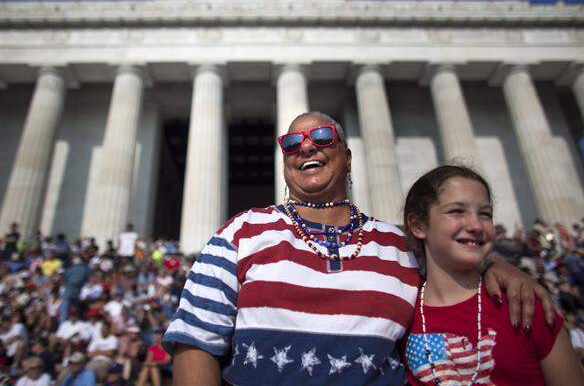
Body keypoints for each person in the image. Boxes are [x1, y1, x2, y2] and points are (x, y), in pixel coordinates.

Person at [163, 112, 555, 385]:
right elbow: (196, 341)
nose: (306, 148)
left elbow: (455, 266)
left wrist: (496, 265)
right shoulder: (241, 232)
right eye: (291, 142)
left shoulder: (401, 245)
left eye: (321, 138)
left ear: (347, 157)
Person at [401, 165, 583, 385]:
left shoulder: (525, 304)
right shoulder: (399, 314)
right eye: (457, 211)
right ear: (418, 225)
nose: (476, 225)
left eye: (485, 214)